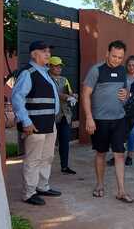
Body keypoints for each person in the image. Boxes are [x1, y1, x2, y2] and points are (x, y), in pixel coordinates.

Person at [82, 40, 134, 203]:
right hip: (100, 120)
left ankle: (121, 191)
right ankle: (99, 185)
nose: (117, 60)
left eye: (120, 57)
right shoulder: (96, 71)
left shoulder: (123, 72)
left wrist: (126, 96)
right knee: (101, 153)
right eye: (114, 56)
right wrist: (89, 117)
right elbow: (85, 94)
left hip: (119, 119)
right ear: (107, 53)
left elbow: (126, 95)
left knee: (119, 155)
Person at [12, 41, 62, 206]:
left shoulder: (46, 73)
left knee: (47, 157)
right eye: (43, 51)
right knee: (33, 159)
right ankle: (29, 193)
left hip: (49, 123)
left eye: (49, 51)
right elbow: (17, 98)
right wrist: (25, 121)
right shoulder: (28, 73)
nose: (48, 54)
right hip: (34, 125)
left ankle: (42, 186)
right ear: (34, 54)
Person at [107, 55, 134, 167]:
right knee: (117, 133)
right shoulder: (122, 76)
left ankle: (129, 157)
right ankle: (116, 156)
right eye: (129, 65)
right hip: (120, 109)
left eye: (133, 65)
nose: (131, 67)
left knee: (132, 134)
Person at [48, 56, 78, 175]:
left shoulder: (64, 79)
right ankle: (45, 169)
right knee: (49, 144)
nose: (59, 68)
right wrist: (65, 96)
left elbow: (69, 92)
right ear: (49, 66)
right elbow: (53, 93)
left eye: (60, 66)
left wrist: (74, 96)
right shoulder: (47, 79)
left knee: (65, 141)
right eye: (56, 65)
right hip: (51, 115)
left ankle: (64, 166)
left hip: (65, 114)